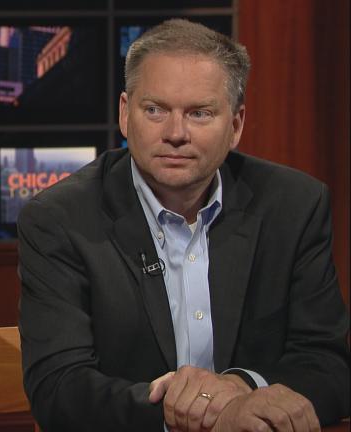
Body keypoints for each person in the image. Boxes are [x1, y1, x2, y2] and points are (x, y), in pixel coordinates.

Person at [18, 19, 349, 432]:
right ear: (125, 114)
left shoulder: (294, 206)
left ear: (236, 124)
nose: (176, 133)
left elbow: (328, 364)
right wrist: (199, 414)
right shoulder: (61, 219)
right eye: (154, 110)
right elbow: (59, 389)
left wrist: (243, 387)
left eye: (199, 113)